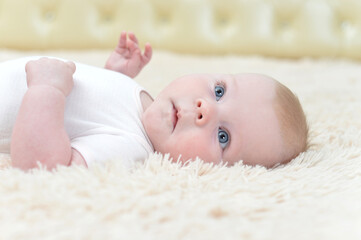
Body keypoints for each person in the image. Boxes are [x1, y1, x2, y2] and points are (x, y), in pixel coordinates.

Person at [0, 32, 308, 171]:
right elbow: (94, 113)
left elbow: (45, 168)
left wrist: (46, 91)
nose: (206, 110)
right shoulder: (143, 101)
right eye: (219, 91)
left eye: (223, 137)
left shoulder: (131, 148)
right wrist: (117, 75)